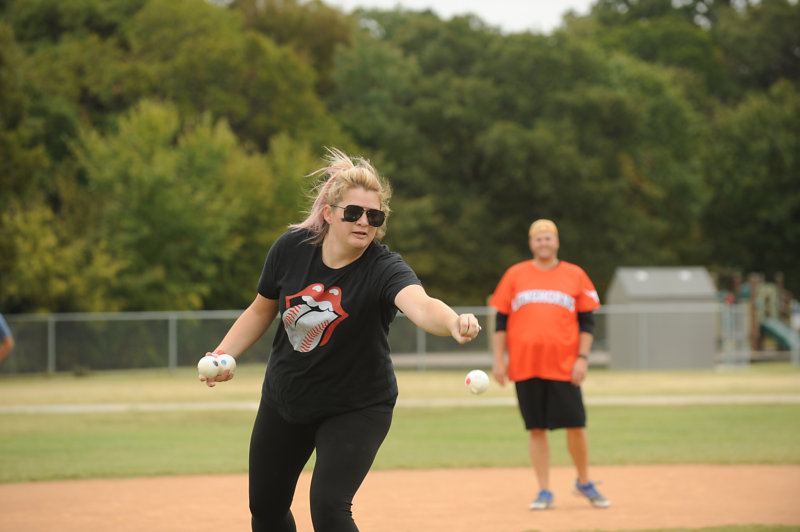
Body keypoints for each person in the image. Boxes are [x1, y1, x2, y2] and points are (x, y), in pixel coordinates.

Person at [199, 148, 481, 531]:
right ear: (330, 213)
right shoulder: (291, 249)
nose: (364, 221)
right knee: (265, 507)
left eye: (374, 216)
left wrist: (453, 321)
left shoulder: (384, 268)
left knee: (329, 507)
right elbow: (260, 310)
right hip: (287, 397)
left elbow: (421, 304)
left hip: (356, 406)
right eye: (353, 212)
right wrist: (222, 354)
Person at [489, 219, 609, 510]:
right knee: (536, 429)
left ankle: (584, 481)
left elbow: (587, 322)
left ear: (556, 242)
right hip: (525, 365)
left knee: (576, 425)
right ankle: (544, 490)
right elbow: (501, 321)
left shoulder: (575, 275)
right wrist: (499, 360)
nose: (544, 243)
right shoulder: (515, 274)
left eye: (548, 238)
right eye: (538, 238)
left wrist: (582, 358)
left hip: (564, 365)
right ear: (531, 244)